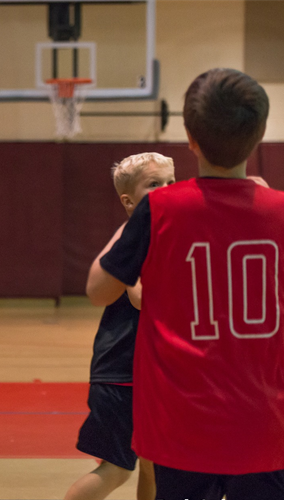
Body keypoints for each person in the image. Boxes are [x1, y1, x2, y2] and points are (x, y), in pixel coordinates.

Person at [87, 68, 284, 499]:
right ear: (261, 134)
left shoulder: (160, 209)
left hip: (184, 425)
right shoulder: (279, 211)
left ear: (190, 139)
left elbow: (99, 290)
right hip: (265, 421)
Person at [65, 152, 175, 500]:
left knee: (152, 464)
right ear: (129, 201)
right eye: (154, 184)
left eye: (171, 182)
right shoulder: (135, 235)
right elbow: (140, 296)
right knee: (117, 469)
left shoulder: (153, 231)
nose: (166, 190)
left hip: (141, 372)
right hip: (123, 374)